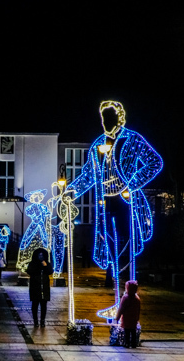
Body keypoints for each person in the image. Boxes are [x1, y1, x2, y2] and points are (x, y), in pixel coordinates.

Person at [66, 100, 162, 319]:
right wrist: (71, 191)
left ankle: (125, 301)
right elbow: (89, 176)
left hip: (125, 201)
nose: (105, 122)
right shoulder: (98, 144)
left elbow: (154, 162)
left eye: (110, 118)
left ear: (120, 119)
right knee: (111, 252)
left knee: (126, 251)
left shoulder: (132, 139)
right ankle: (119, 301)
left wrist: (131, 184)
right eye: (103, 118)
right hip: (105, 203)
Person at [26, 248, 53, 327]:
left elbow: (50, 271)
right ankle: (35, 321)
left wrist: (45, 266)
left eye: (42, 255)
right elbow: (29, 271)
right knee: (35, 305)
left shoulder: (46, 263)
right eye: (39, 255)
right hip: (35, 287)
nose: (41, 257)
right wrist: (37, 267)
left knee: (43, 305)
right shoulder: (33, 264)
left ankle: (42, 321)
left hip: (44, 288)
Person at [115, 280, 141, 348]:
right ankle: (133, 344)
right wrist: (137, 318)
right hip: (133, 319)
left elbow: (121, 309)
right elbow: (138, 309)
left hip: (126, 318)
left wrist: (117, 318)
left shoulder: (125, 298)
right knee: (133, 331)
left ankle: (126, 343)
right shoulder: (137, 298)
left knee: (127, 332)